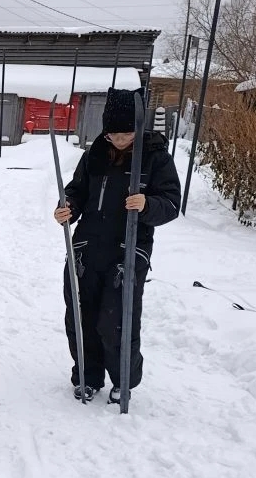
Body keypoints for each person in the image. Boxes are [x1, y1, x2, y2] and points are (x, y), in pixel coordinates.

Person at [53, 87, 181, 404]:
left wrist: (147, 204)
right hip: (87, 247)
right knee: (81, 316)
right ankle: (87, 376)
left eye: (126, 134)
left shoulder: (155, 158)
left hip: (128, 249)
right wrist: (67, 207)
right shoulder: (95, 154)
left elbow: (170, 203)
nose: (119, 140)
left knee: (116, 321)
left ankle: (123, 380)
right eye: (113, 134)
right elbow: (77, 191)